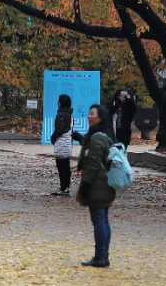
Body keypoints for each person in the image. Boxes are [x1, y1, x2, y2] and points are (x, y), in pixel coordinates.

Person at [71, 104, 116, 267]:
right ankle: (102, 255)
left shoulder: (98, 137)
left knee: (99, 220)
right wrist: (79, 138)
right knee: (102, 219)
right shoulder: (102, 135)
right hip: (104, 185)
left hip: (98, 185)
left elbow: (93, 164)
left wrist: (84, 187)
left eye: (92, 113)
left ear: (100, 118)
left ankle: (101, 256)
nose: (88, 116)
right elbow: (91, 147)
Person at [49, 93, 74, 196]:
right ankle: (66, 186)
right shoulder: (70, 114)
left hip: (61, 143)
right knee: (66, 165)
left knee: (61, 166)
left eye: (59, 100)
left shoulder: (61, 114)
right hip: (67, 142)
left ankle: (63, 187)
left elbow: (59, 130)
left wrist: (53, 138)